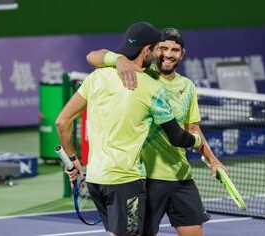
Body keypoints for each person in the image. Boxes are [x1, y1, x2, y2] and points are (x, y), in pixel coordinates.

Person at [56, 22, 204, 236]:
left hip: (96, 179)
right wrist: (197, 140)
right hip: (125, 181)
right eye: (157, 49)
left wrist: (72, 159)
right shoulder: (152, 88)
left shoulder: (97, 76)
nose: (160, 54)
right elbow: (176, 137)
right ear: (147, 50)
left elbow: (62, 122)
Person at [86, 27, 227, 236]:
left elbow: (193, 129)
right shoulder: (136, 76)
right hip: (147, 179)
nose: (168, 54)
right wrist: (118, 59)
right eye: (163, 48)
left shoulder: (187, 86)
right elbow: (92, 56)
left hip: (180, 176)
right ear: (151, 51)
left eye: (175, 50)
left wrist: (213, 160)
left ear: (182, 54)